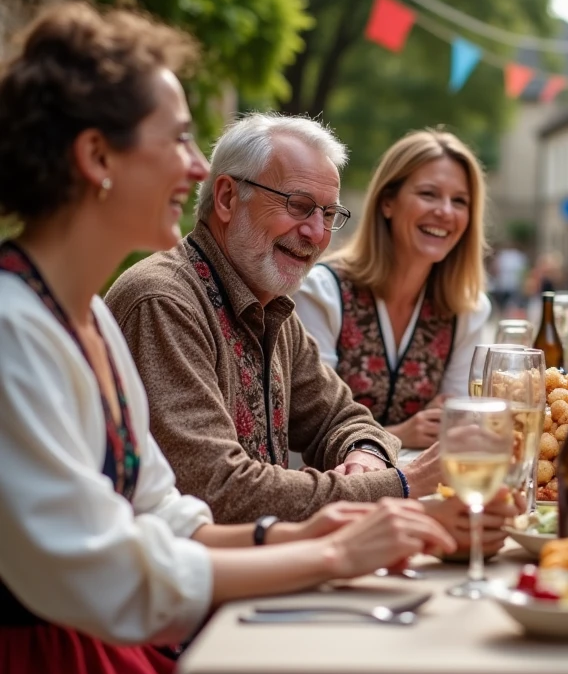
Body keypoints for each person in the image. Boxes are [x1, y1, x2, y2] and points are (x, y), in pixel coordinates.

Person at [0, 1, 455, 674]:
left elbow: (169, 515)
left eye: (327, 215)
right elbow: (116, 572)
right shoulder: (28, 328)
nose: (194, 166)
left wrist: (322, 530)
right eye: (179, 139)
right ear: (97, 156)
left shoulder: (84, 314)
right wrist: (345, 538)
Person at [105, 113, 516, 550]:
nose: (317, 233)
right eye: (298, 206)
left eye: (329, 213)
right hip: (193, 587)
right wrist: (403, 482)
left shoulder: (268, 303)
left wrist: (366, 455)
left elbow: (344, 418)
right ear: (226, 197)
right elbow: (220, 491)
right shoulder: (164, 301)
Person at [293, 129, 492, 450]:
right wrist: (398, 434)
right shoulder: (322, 292)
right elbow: (307, 431)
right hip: (328, 480)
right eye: (428, 194)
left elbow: (456, 426)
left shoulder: (466, 309)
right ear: (387, 202)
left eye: (459, 201)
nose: (445, 211)